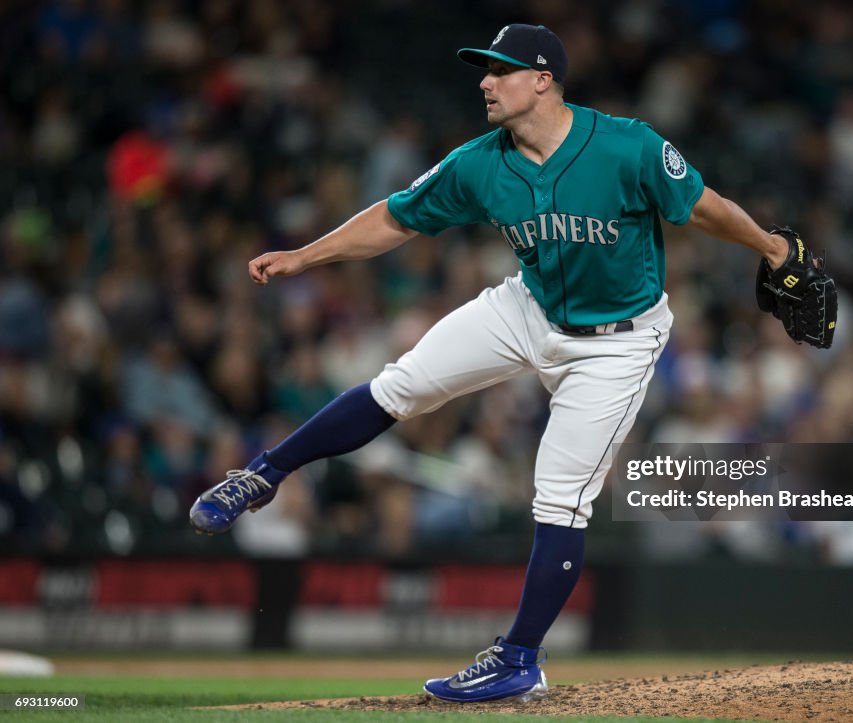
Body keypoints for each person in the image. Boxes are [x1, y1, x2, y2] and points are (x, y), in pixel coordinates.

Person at [190, 24, 790, 703]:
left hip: (617, 343)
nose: (484, 80)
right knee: (403, 383)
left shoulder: (628, 146)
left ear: (543, 80)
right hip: (527, 308)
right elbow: (395, 217)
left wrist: (772, 248)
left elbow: (703, 208)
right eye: (484, 69)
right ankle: (265, 472)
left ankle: (519, 658)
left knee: (561, 496)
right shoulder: (479, 162)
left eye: (500, 69)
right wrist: (305, 256)